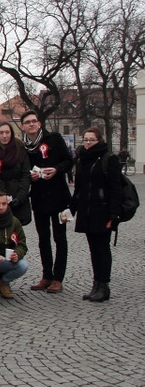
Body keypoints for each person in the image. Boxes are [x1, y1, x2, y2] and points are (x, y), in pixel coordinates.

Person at [20, 110, 73, 294]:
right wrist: (30, 177)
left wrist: (57, 169)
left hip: (59, 198)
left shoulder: (54, 139)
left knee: (60, 238)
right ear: (23, 126)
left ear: (39, 124)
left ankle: (58, 278)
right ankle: (46, 275)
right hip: (39, 198)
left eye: (34, 121)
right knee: (43, 239)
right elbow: (23, 170)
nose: (31, 124)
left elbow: (69, 161)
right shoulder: (25, 147)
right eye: (28, 122)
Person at [69, 127, 122, 302]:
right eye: (85, 139)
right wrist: (71, 209)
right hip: (87, 211)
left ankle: (104, 285)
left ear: (99, 140)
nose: (88, 143)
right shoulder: (81, 159)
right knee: (93, 249)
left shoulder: (109, 159)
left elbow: (116, 188)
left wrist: (114, 214)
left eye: (92, 139)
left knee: (103, 248)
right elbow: (78, 189)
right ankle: (96, 284)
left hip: (103, 210)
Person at [0, 122, 32, 226]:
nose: (4, 136)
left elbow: (25, 175)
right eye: (1, 133)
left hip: (17, 197)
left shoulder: (20, 150)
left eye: (7, 132)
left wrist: (20, 197)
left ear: (11, 134)